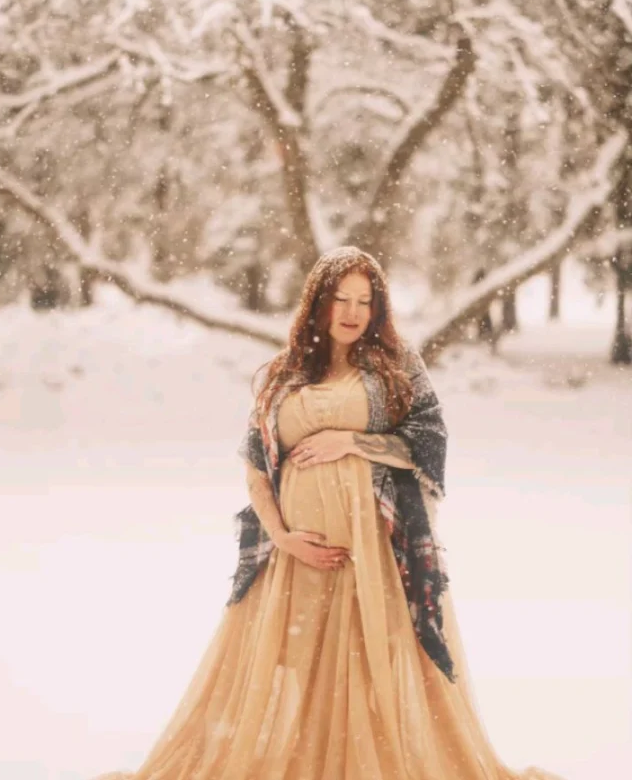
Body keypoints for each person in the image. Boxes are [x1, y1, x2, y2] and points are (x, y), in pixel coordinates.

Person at [94, 246, 565, 780]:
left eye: (365, 300)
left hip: (375, 553)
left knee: (372, 667)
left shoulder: (397, 367)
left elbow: (428, 443)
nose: (352, 312)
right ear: (317, 303)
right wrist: (283, 537)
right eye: (340, 298)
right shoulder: (283, 373)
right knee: (296, 668)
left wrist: (354, 441)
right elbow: (255, 467)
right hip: (295, 557)